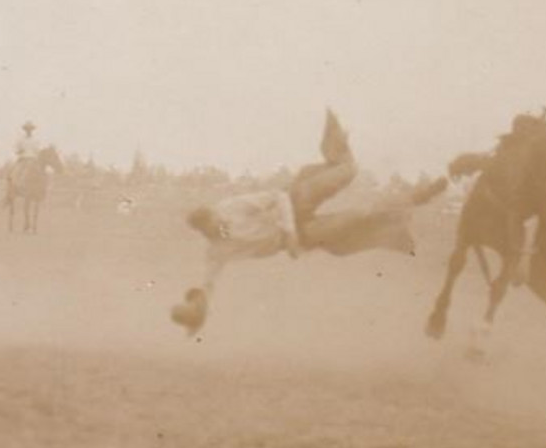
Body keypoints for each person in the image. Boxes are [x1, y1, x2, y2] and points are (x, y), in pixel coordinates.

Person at [172, 110, 448, 335]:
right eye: (210, 226)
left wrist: (288, 232)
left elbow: (277, 196)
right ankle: (416, 197)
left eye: (214, 219)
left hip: (294, 202)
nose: (216, 224)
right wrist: (196, 308)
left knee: (348, 170)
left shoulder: (229, 208)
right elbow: (208, 283)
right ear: (205, 231)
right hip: (302, 234)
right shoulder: (217, 251)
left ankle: (334, 147)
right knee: (360, 216)